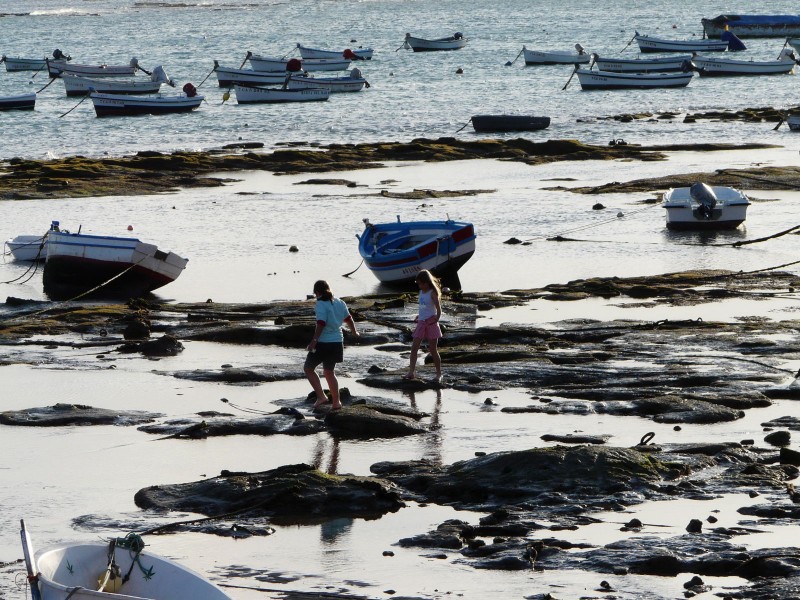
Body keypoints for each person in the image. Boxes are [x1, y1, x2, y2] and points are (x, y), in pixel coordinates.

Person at [304, 280, 358, 410]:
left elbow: (321, 323)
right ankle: (336, 403)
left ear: (317, 293)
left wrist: (313, 341)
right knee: (329, 372)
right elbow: (348, 318)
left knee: (308, 368)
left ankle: (321, 396)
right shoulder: (340, 302)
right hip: (337, 342)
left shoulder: (321, 304)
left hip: (323, 343)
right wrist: (354, 331)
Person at [404, 269, 443, 383]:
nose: (420, 286)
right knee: (414, 348)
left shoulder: (432, 292)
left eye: (421, 283)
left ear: (426, 282)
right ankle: (411, 372)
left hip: (431, 322)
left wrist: (437, 318)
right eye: (419, 284)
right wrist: (418, 316)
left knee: (433, 349)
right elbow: (423, 307)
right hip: (421, 322)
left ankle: (439, 374)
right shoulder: (421, 292)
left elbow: (438, 308)